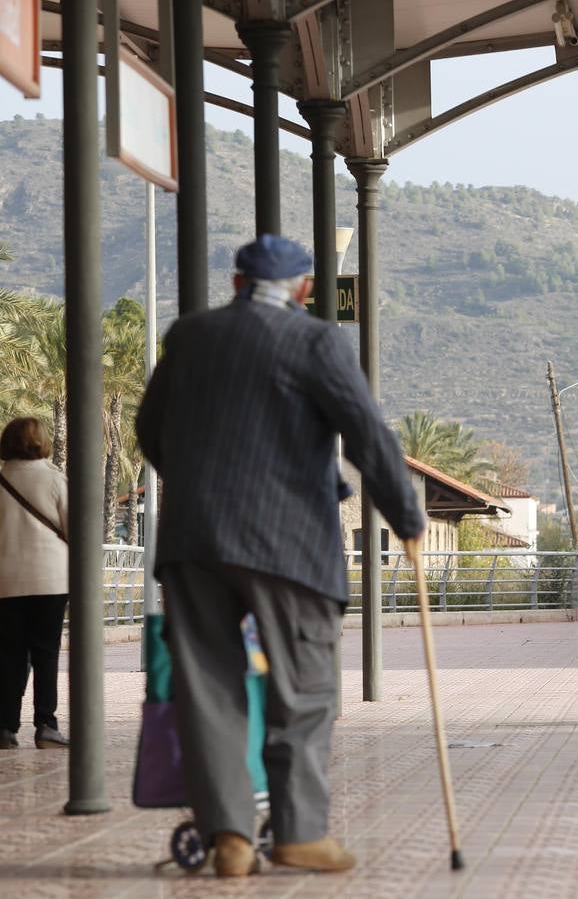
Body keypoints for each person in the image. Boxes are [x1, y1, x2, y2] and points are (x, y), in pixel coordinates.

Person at [136, 235, 425, 878]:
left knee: (207, 689)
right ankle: (297, 832)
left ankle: (231, 840)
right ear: (302, 289)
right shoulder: (316, 341)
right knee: (305, 687)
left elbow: (150, 429)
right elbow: (367, 433)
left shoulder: (190, 335)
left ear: (237, 283)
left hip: (194, 542)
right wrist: (404, 516)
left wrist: (199, 488)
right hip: (289, 544)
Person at [0, 417, 70, 751]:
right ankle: (46, 725)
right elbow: (75, 529)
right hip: (51, 579)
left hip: (6, 583)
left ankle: (5, 727)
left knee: (10, 654)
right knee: (46, 653)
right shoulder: (55, 480)